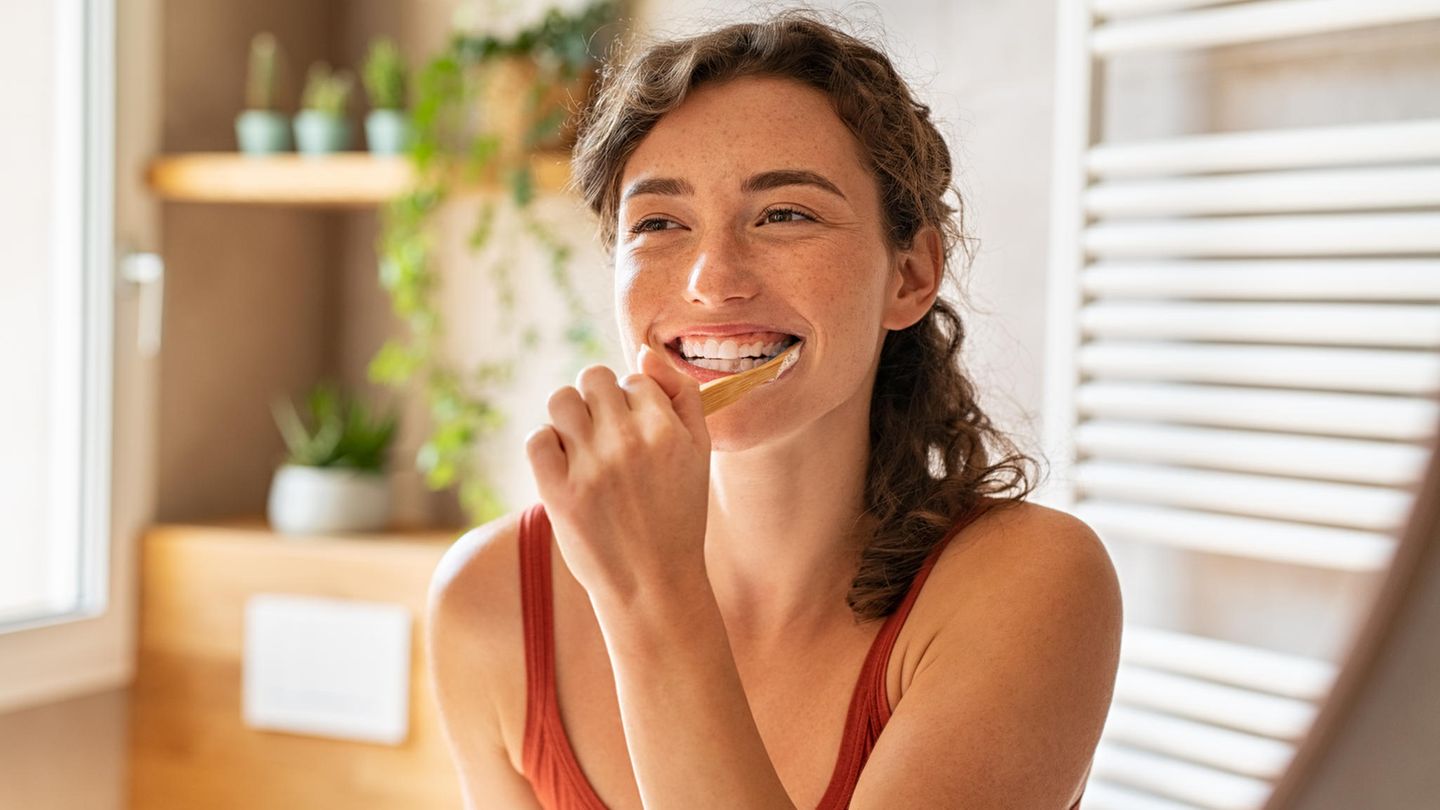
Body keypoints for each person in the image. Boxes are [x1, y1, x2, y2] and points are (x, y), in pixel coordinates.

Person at [427, 10, 1121, 809]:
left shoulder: (1029, 587)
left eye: (785, 214)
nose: (713, 280)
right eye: (659, 223)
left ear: (910, 277)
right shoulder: (490, 602)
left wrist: (650, 592)